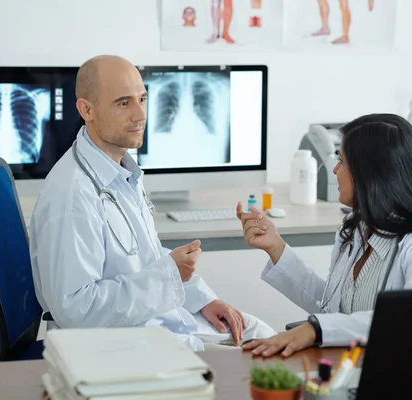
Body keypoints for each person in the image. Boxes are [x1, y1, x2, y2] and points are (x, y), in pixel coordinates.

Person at [29, 55, 276, 351]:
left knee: (262, 334)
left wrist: (205, 299)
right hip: (110, 343)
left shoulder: (120, 170)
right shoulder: (73, 195)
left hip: (145, 321)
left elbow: (142, 254)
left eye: (142, 99)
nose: (140, 115)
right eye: (123, 103)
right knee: (263, 352)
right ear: (87, 109)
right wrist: (169, 277)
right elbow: (77, 311)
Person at [236, 113, 412, 357]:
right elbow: (332, 309)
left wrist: (316, 329)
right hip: (350, 364)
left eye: (341, 161)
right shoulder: (357, 230)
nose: (335, 169)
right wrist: (276, 247)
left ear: (370, 173)